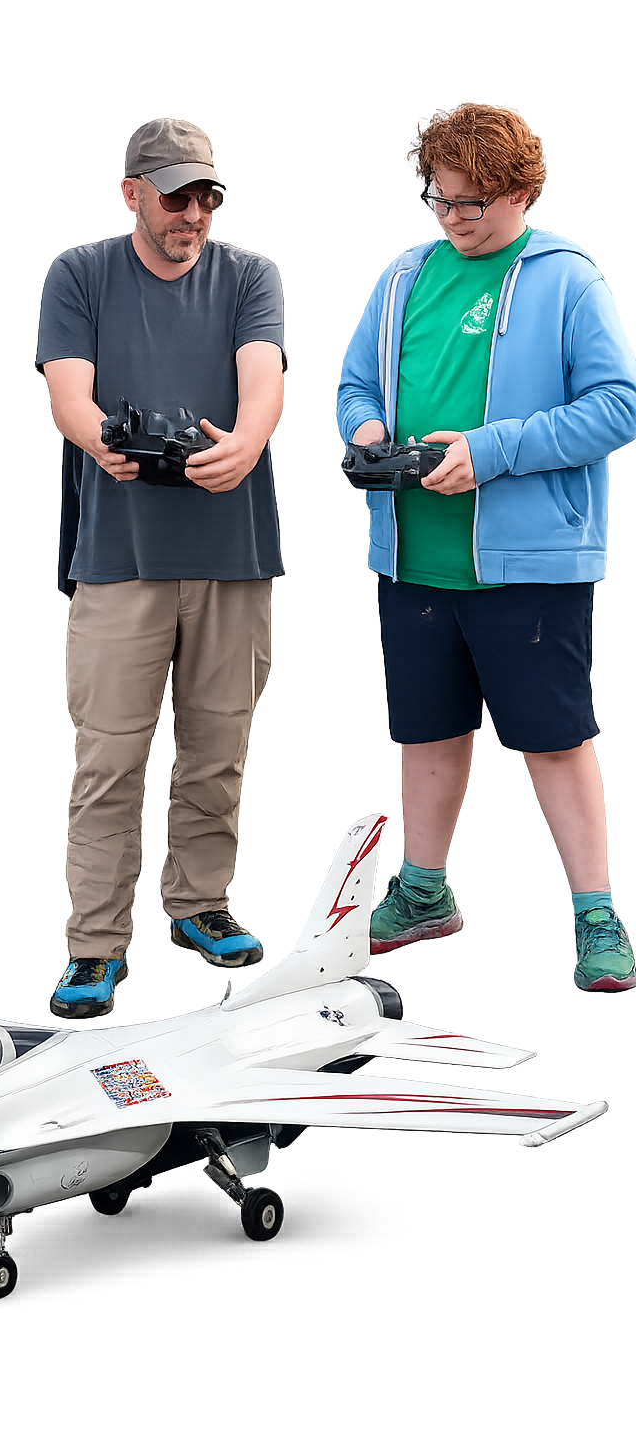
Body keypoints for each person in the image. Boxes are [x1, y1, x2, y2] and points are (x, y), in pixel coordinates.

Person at [338, 103, 636, 992]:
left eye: (474, 203)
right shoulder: (402, 277)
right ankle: (426, 894)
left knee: (553, 740)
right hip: (411, 558)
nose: (455, 217)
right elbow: (355, 380)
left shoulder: (570, 281)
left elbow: (618, 404)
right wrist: (366, 427)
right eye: (440, 198)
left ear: (521, 192)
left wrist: (491, 452)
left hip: (529, 564)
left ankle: (598, 915)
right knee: (428, 735)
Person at [36, 118, 286, 1017]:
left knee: (216, 755)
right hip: (120, 557)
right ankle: (94, 945)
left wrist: (248, 443)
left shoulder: (250, 276)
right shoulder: (80, 274)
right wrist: (102, 438)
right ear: (131, 191)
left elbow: (262, 378)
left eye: (207, 195)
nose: (194, 212)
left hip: (233, 555)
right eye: (175, 193)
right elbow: (69, 394)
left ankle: (199, 906)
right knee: (108, 760)